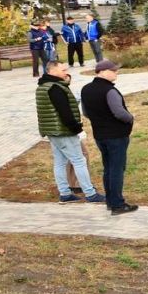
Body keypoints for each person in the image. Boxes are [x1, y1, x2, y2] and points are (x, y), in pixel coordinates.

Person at [35, 60, 106, 204]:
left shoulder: (43, 86)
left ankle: (65, 193)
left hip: (52, 131)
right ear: (52, 71)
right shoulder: (55, 88)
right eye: (63, 70)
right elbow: (65, 112)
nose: (66, 72)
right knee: (79, 161)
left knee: (60, 162)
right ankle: (90, 194)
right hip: (63, 131)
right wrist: (76, 128)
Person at [80, 59, 137, 215]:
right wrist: (131, 117)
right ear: (103, 72)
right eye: (114, 70)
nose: (116, 73)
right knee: (117, 169)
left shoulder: (86, 89)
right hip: (116, 136)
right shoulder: (109, 91)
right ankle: (117, 205)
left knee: (108, 168)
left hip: (100, 135)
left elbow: (85, 112)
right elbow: (119, 112)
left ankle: (111, 202)